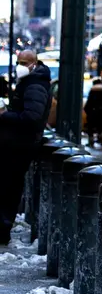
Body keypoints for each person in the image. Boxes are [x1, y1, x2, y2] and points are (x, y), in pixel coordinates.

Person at [0, 51, 52, 245]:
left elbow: (31, 117)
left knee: (9, 187)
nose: (20, 65)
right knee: (9, 186)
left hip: (19, 146)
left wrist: (5, 114)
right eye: (18, 62)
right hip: (18, 144)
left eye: (24, 62)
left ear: (34, 63)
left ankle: (3, 227)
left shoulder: (35, 85)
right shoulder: (31, 82)